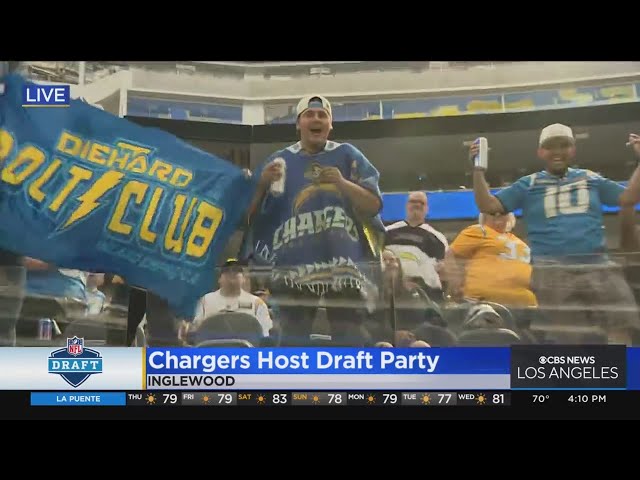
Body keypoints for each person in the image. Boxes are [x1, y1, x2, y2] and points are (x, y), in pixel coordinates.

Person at [471, 124, 640, 343]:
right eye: (551, 147)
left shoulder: (590, 178)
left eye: (564, 145)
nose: (557, 151)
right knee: (569, 336)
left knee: (621, 323)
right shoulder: (529, 184)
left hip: (597, 263)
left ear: (573, 150)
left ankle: (620, 365)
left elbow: (629, 198)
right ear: (541, 152)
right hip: (552, 268)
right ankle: (578, 367)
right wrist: (478, 170)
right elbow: (488, 205)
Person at [243, 94, 385, 346]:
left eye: (322, 115)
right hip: (293, 270)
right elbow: (246, 216)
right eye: (309, 114)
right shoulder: (279, 161)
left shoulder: (347, 154)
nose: (316, 119)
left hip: (344, 268)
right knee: (292, 342)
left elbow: (373, 205)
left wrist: (342, 183)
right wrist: (261, 184)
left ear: (331, 125)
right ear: (298, 124)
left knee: (349, 339)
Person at [445, 212, 535, 308]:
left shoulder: (521, 242)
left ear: (510, 217)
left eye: (503, 213)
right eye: (492, 213)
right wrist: (455, 283)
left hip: (527, 305)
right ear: (484, 217)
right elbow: (451, 254)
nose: (497, 215)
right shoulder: (479, 230)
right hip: (484, 304)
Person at [384, 191, 448, 301]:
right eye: (413, 201)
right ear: (406, 206)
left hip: (425, 295)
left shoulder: (438, 238)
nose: (417, 204)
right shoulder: (387, 232)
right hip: (392, 293)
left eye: (421, 203)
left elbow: (443, 269)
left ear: (427, 209)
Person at [192, 259, 273, 337]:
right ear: (219, 279)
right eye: (227, 271)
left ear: (243, 279)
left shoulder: (256, 303)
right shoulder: (206, 301)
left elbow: (265, 334)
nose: (231, 273)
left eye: (236, 271)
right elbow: (196, 330)